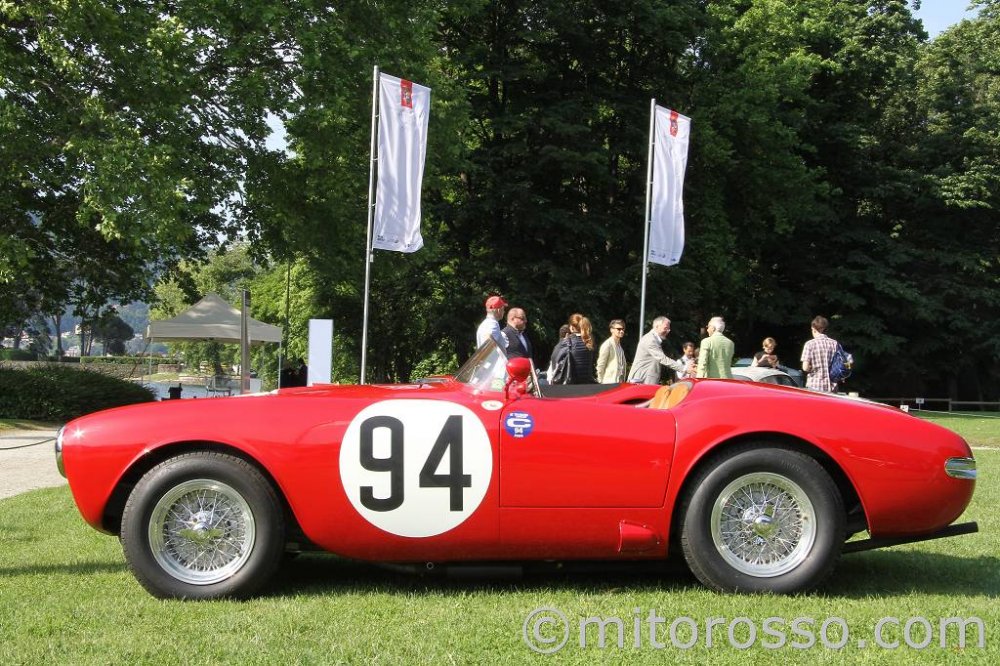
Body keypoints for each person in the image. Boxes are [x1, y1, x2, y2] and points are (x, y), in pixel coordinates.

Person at [628, 316, 690, 384]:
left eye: (669, 328)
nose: (668, 331)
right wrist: (684, 369)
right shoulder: (650, 340)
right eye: (666, 328)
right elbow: (663, 359)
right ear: (657, 327)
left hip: (644, 379)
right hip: (642, 379)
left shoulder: (653, 339)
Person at [801, 315, 839, 392]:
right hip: (832, 386)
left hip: (815, 385)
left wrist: (812, 367)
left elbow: (805, 367)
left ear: (813, 329)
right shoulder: (835, 343)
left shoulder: (809, 344)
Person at [565, 313, 595, 383]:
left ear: (572, 327)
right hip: (587, 381)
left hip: (573, 382)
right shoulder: (589, 341)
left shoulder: (568, 341)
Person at [596, 319, 628, 383]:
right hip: (609, 382)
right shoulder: (607, 344)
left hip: (619, 382)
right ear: (611, 330)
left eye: (623, 329)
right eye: (619, 329)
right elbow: (601, 365)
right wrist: (600, 381)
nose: (622, 331)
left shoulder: (619, 346)